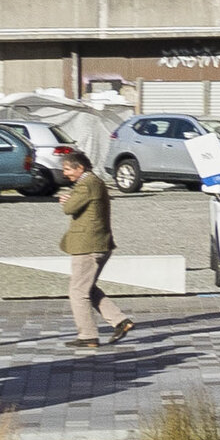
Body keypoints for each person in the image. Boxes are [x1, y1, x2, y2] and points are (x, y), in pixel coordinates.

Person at [53, 144, 134, 348]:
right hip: (98, 244)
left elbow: (70, 208)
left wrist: (66, 200)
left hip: (88, 246)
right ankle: (120, 321)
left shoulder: (86, 184)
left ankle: (88, 335)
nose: (65, 174)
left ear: (80, 168)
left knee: (77, 292)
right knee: (87, 288)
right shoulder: (92, 182)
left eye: (68, 169)